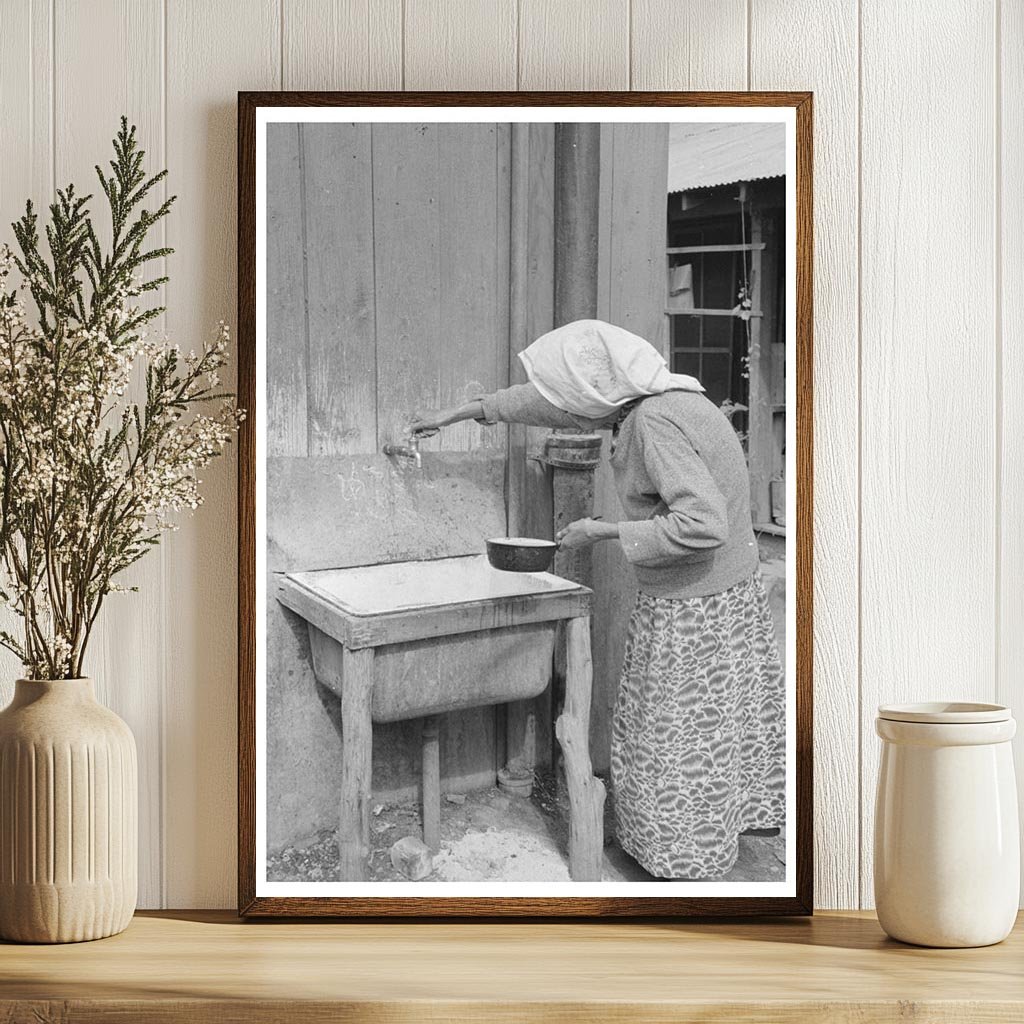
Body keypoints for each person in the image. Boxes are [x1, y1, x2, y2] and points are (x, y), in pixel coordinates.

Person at [410, 319, 784, 880]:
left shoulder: (653, 424)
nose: (566, 406)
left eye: (571, 393)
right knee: (713, 734)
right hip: (725, 594)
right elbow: (553, 407)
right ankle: (703, 841)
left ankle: (680, 861)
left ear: (596, 393)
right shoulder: (664, 394)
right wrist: (464, 414)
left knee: (675, 737)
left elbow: (704, 524)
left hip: (696, 608)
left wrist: (603, 531)